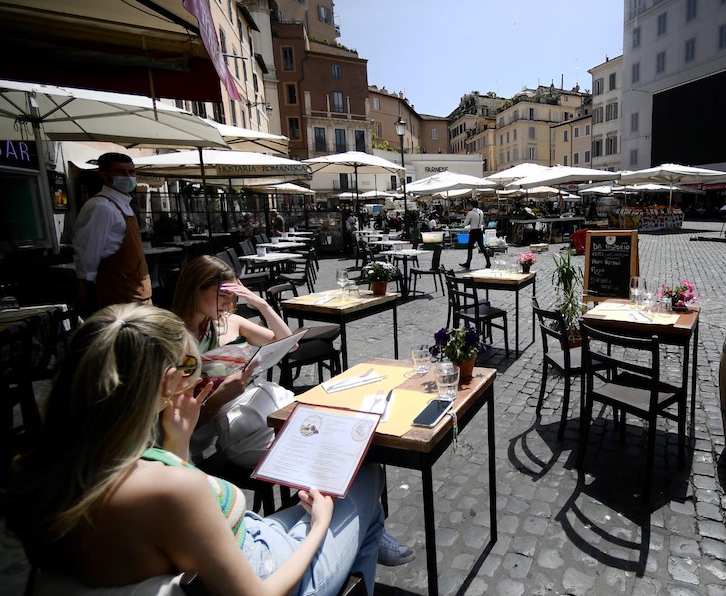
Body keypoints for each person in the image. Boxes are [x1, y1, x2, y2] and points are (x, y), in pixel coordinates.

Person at [3, 303, 385, 595]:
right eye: (195, 365)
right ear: (170, 381)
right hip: (264, 566)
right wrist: (318, 524)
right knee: (365, 473)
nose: (201, 372)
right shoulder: (168, 490)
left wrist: (177, 443)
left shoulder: (38, 476)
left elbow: (163, 536)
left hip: (228, 553)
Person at [171, 255, 416, 567]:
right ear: (195, 288)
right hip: (233, 426)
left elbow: (289, 344)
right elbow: (185, 424)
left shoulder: (228, 322)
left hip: (268, 401)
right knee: (321, 457)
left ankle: (365, 527)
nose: (229, 301)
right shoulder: (179, 341)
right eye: (223, 293)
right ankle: (359, 532)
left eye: (234, 294)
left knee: (345, 442)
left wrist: (261, 305)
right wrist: (221, 396)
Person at [72, 152, 151, 314]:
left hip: (137, 293)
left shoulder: (124, 205)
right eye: (120, 172)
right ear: (104, 174)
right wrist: (86, 291)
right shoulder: (100, 207)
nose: (128, 177)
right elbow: (88, 256)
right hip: (118, 296)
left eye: (131, 172)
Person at [459, 198, 491, 270]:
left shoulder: (471, 213)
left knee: (470, 247)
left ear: (471, 205)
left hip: (473, 231)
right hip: (479, 230)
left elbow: (465, 223)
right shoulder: (481, 212)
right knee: (482, 247)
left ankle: (468, 263)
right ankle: (488, 262)